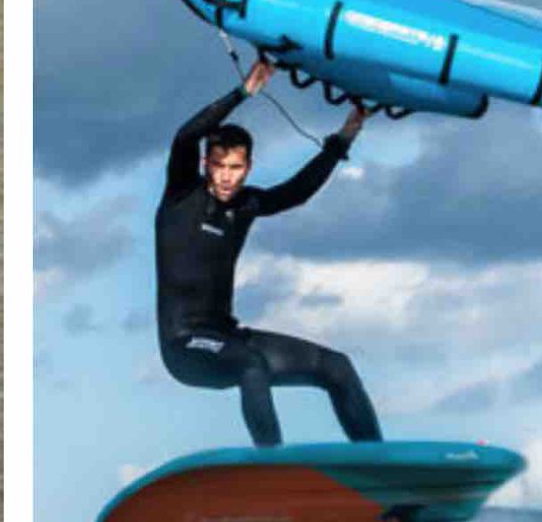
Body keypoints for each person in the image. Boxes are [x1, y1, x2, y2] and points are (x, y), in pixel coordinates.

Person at [155, 58, 384, 448]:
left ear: (248, 166)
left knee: (337, 367)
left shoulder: (245, 205)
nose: (227, 176)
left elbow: (296, 192)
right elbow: (184, 137)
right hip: (185, 346)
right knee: (251, 365)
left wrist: (343, 139)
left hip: (228, 336)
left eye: (236, 167)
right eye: (219, 166)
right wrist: (242, 93)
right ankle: (273, 464)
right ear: (206, 164)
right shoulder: (181, 196)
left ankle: (383, 473)